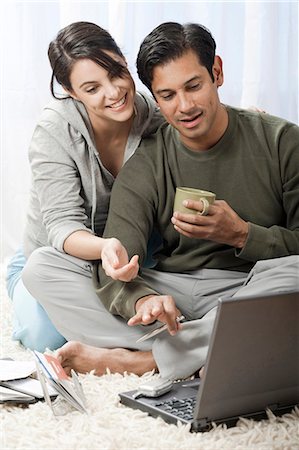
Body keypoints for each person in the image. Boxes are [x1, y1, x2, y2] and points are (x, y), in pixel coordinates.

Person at [23, 22, 299, 380]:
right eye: (167, 95)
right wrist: (141, 297)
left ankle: (144, 361)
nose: (184, 106)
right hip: (171, 289)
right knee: (42, 269)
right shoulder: (141, 158)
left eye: (194, 86)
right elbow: (114, 257)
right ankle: (211, 346)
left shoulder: (282, 142)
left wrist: (243, 235)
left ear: (217, 72)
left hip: (246, 286)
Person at [6, 21, 164, 353]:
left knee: (152, 313)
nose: (114, 92)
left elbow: (194, 120)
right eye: (92, 88)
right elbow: (62, 226)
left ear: (123, 59)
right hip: (55, 260)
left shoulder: (151, 115)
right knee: (46, 339)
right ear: (71, 91)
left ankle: (141, 347)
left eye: (117, 73)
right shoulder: (54, 130)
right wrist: (105, 247)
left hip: (128, 258)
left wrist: (239, 120)